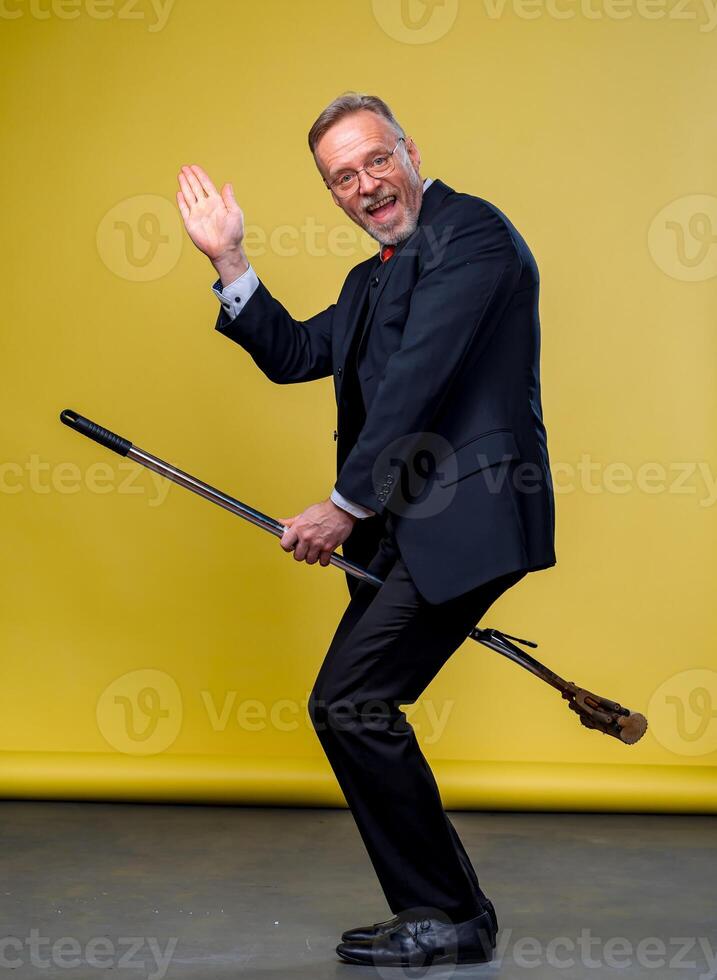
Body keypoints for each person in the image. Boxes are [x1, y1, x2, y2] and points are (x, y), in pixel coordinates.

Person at [176, 91, 556, 968]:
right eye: (341, 177)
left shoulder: (474, 237)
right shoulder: (372, 275)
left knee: (350, 703)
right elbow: (297, 355)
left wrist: (343, 505)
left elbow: (418, 379)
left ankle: (448, 917)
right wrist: (231, 260)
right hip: (408, 532)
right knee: (351, 704)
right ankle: (449, 911)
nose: (365, 184)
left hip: (465, 516)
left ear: (409, 150)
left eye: (375, 160)